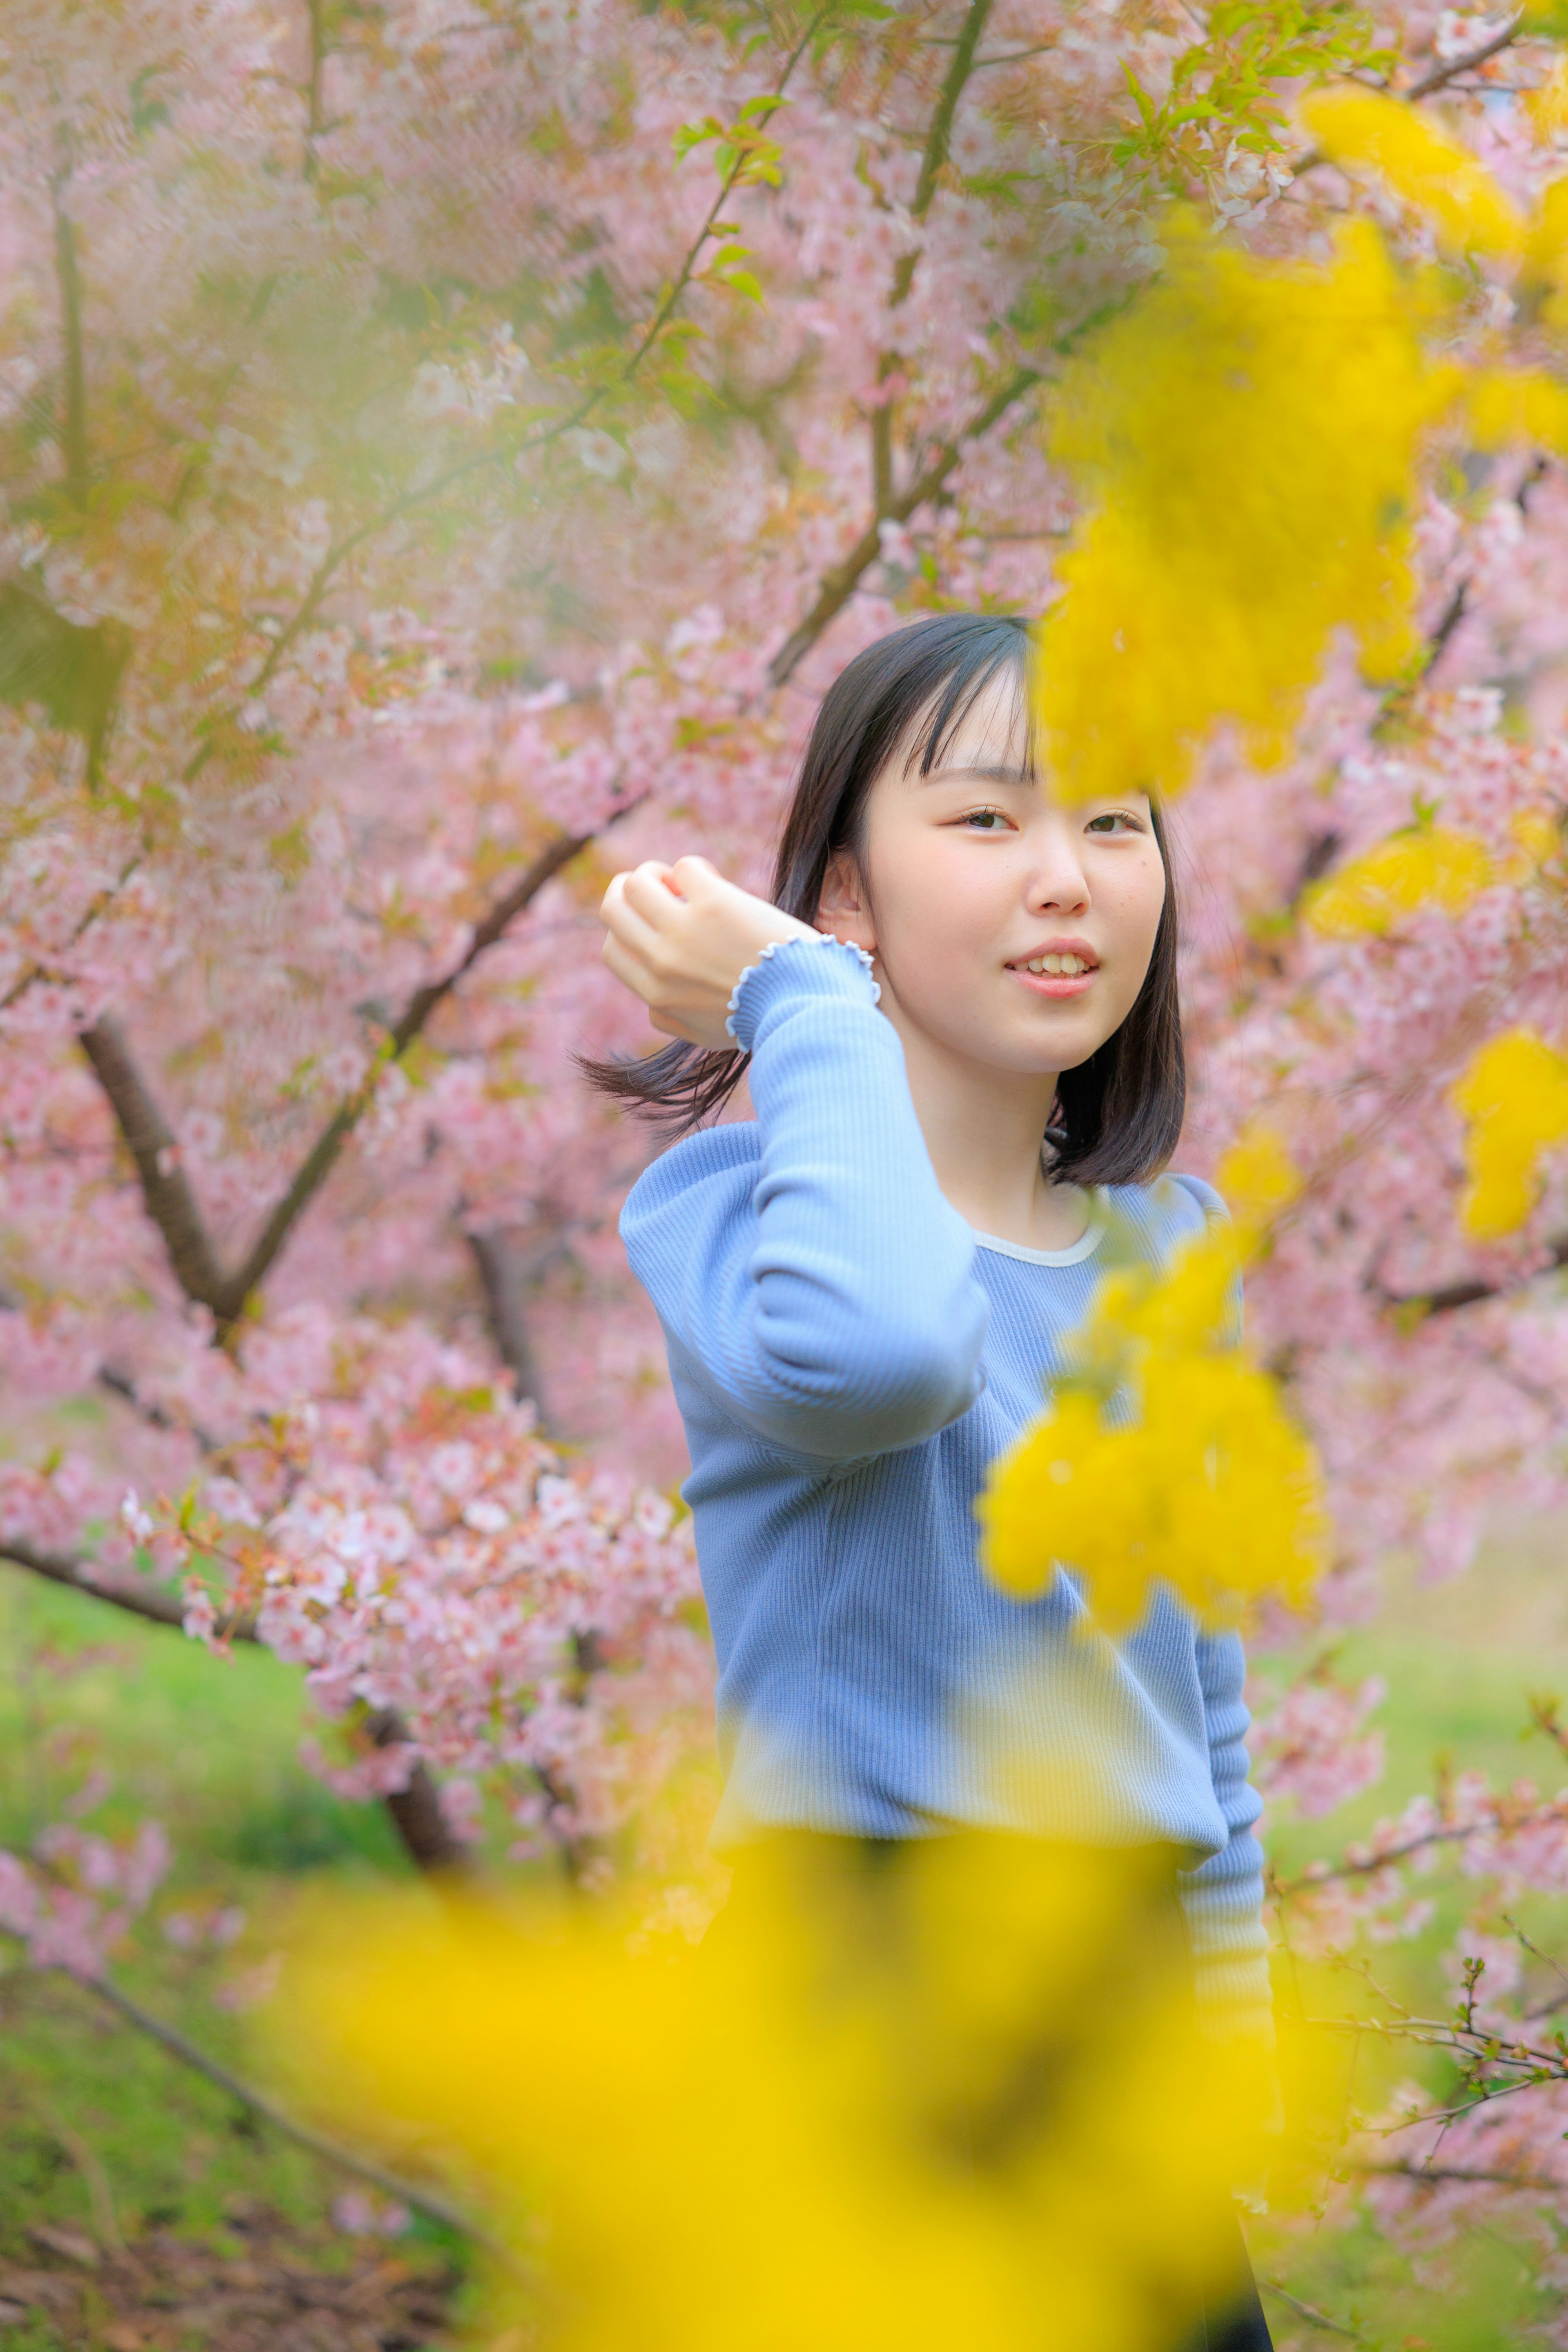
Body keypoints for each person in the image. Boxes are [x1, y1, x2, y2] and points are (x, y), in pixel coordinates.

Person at [592, 612, 1274, 2351]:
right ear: (842, 897)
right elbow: (888, 1356)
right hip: (866, 1981)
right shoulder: (733, 1224)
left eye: (1116, 823)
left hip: (1119, 2007)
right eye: (987, 820)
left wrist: (1231, 2011)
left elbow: (1187, 1668)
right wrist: (805, 1012)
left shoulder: (1165, 1253)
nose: (1067, 875)